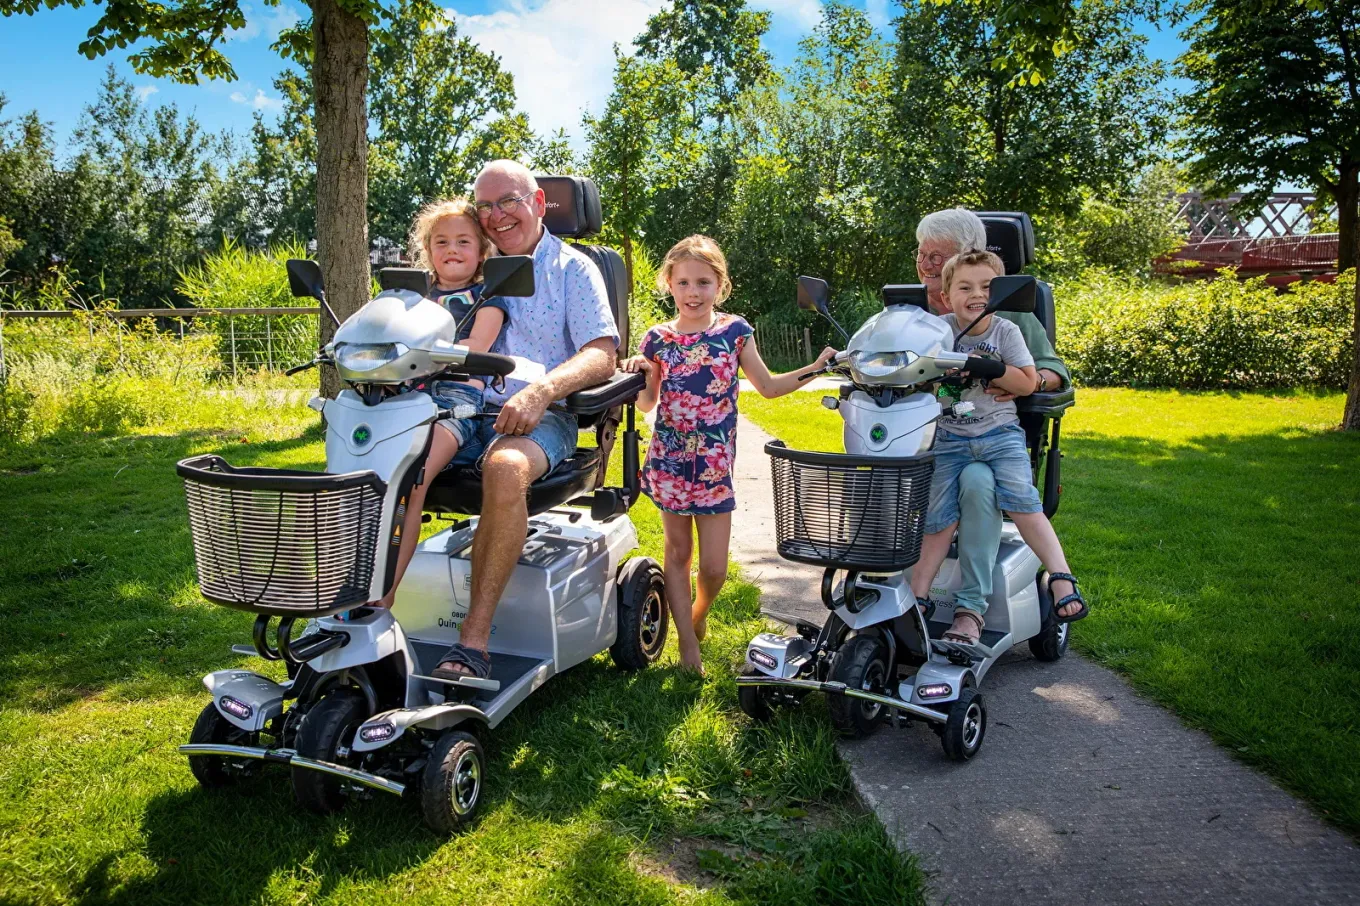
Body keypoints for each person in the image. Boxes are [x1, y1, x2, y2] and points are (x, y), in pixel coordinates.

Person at [428, 160, 621, 681]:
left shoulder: (572, 269)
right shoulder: (465, 263)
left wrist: (542, 390)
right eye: (485, 206)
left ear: (538, 204)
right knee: (381, 460)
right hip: (458, 410)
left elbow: (602, 353)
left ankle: (473, 642)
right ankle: (360, 610)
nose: (496, 215)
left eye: (508, 201)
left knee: (504, 468)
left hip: (545, 416)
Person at [623, 235, 836, 673]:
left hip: (715, 467)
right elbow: (646, 403)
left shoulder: (734, 332)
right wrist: (641, 370)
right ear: (669, 284)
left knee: (716, 568)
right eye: (683, 283)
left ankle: (696, 614)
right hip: (670, 462)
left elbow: (770, 387)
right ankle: (687, 647)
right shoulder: (657, 339)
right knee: (678, 554)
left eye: (704, 282)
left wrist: (815, 368)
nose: (693, 293)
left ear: (721, 285)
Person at [912, 207, 1083, 622]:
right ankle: (905, 594)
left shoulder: (1009, 314)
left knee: (977, 480)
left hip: (992, 435)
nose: (927, 263)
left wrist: (1021, 381)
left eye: (939, 255)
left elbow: (1052, 373)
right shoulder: (910, 312)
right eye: (922, 253)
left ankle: (970, 611)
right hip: (927, 437)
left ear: (966, 254)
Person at [376, 198, 510, 609]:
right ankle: (344, 582)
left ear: (482, 251)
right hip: (402, 398)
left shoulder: (488, 299)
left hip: (456, 401)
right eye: (441, 241)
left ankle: (382, 599)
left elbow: (475, 346)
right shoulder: (410, 299)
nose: (452, 249)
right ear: (427, 249)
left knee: (410, 482)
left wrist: (416, 350)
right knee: (364, 481)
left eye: (464, 241)